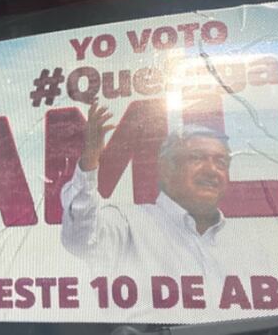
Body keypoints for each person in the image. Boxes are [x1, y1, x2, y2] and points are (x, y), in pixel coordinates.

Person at [60, 100, 260, 286]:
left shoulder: (247, 245)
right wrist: (89, 162)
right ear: (165, 168)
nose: (211, 170)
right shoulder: (128, 223)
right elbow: (81, 240)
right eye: (196, 158)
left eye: (221, 162)